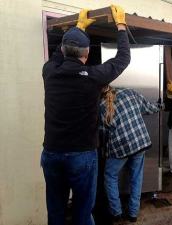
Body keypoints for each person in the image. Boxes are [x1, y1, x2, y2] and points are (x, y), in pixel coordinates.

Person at [41, 6, 130, 225]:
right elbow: (123, 59)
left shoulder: (49, 72)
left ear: (62, 50)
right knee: (82, 212)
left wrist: (77, 27)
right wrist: (121, 26)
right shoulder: (93, 77)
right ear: (87, 53)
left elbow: (56, 57)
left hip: (52, 153)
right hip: (82, 155)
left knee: (55, 210)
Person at [98, 86, 161, 223]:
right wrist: (160, 105)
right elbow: (148, 107)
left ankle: (116, 212)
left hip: (120, 147)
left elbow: (103, 133)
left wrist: (103, 151)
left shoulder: (101, 106)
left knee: (110, 176)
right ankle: (133, 214)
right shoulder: (129, 92)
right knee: (136, 177)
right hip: (140, 142)